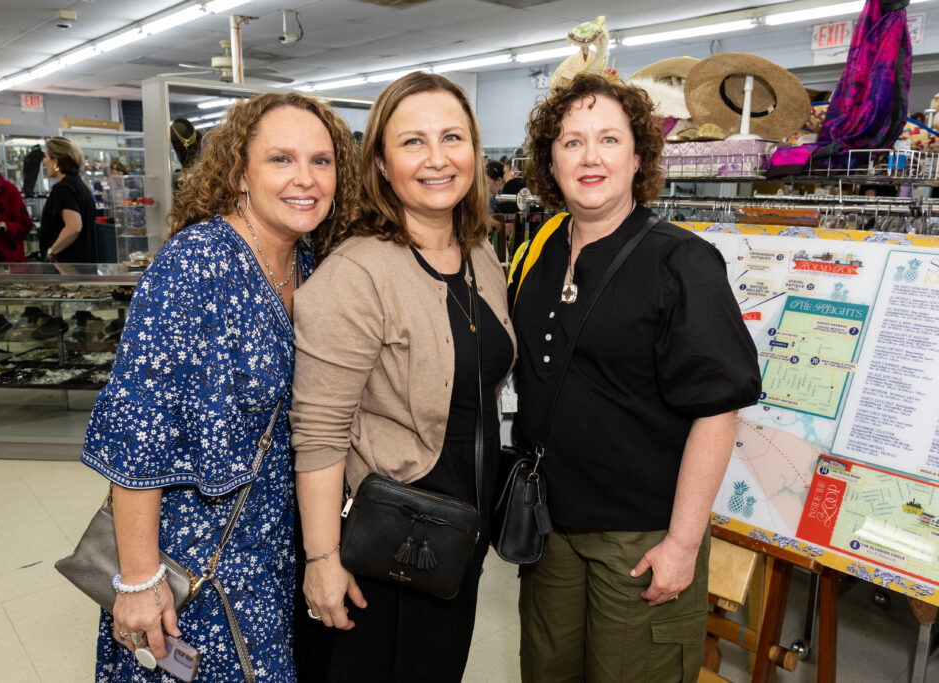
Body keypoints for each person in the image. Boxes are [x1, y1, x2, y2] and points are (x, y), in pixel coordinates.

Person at [80, 92, 359, 682]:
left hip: (268, 554)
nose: (305, 179)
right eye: (281, 160)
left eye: (321, 161)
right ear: (239, 172)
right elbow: (138, 431)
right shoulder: (195, 266)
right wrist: (139, 578)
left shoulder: (306, 262)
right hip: (189, 565)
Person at [511, 73, 761, 683]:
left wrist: (681, 544)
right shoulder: (536, 252)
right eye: (571, 142)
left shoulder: (680, 261)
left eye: (608, 140)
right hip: (550, 528)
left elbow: (717, 409)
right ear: (550, 160)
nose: (590, 157)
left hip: (639, 535)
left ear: (639, 156)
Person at [291, 71, 516, 682]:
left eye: (453, 137)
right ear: (383, 165)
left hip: (456, 543)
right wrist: (321, 559)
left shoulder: (480, 256)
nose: (438, 159)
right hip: (383, 550)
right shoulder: (357, 272)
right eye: (413, 142)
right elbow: (318, 431)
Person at [40, 136, 97, 262]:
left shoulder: (63, 188)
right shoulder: (79, 185)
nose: (44, 161)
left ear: (55, 162)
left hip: (68, 264)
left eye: (46, 157)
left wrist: (51, 252)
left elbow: (74, 227)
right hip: (82, 263)